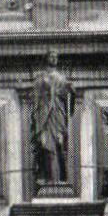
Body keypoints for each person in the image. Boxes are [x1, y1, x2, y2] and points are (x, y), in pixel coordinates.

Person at [31, 50, 72, 185]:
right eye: (51, 56)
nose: (54, 59)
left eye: (56, 56)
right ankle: (50, 179)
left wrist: (71, 91)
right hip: (45, 116)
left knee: (59, 144)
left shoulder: (62, 78)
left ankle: (60, 178)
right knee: (46, 146)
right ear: (47, 58)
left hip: (58, 115)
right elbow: (36, 98)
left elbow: (68, 98)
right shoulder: (41, 78)